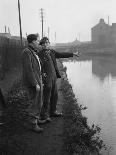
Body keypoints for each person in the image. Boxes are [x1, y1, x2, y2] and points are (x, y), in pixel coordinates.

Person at [38, 37, 80, 121]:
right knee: (46, 97)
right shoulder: (39, 54)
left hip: (54, 77)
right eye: (44, 43)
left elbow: (62, 54)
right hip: (47, 79)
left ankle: (53, 112)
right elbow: (38, 67)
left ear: (49, 44)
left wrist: (73, 54)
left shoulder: (52, 52)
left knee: (55, 95)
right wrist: (42, 76)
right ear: (41, 45)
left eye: (47, 43)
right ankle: (44, 115)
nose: (46, 44)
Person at [22, 34, 43, 132]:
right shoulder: (26, 52)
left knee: (38, 101)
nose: (38, 43)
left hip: (38, 79)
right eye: (37, 41)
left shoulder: (33, 52)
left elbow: (37, 67)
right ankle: (33, 124)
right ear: (33, 41)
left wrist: (40, 80)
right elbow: (29, 70)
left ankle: (36, 120)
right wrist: (35, 83)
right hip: (33, 82)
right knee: (34, 102)